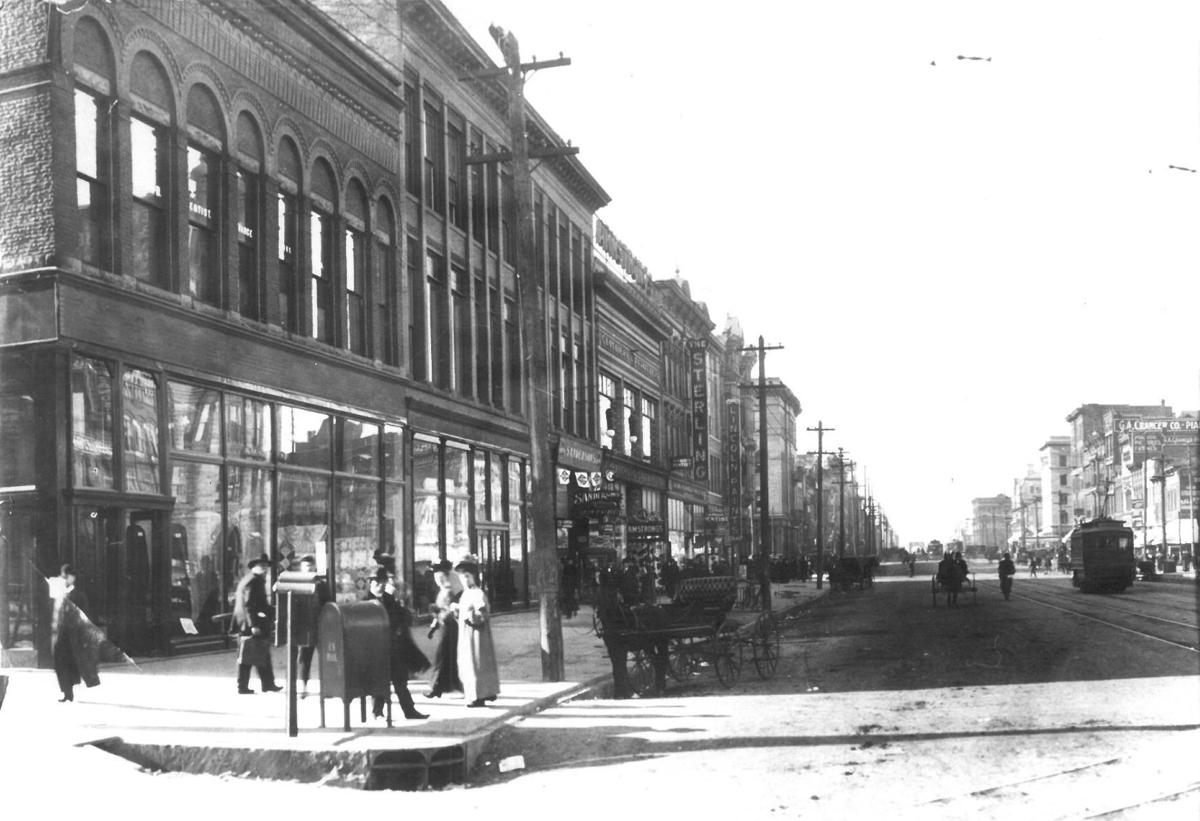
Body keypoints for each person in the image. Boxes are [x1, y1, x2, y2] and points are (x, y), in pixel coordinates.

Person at [367, 569, 429, 720]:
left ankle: (409, 711)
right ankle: (377, 711)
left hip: (394, 648)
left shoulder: (390, 599)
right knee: (379, 681)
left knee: (400, 680)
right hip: (376, 649)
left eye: (382, 582)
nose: (380, 585)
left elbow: (403, 617)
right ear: (370, 583)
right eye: (376, 582)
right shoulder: (365, 603)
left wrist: (403, 607)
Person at [233, 554, 281, 695]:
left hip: (251, 623)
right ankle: (243, 686)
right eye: (262, 566)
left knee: (261, 653)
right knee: (248, 656)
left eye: (266, 566)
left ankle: (267, 684)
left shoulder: (252, 579)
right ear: (255, 567)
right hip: (251, 624)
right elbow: (249, 605)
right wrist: (253, 625)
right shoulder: (253, 581)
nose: (265, 569)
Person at [454, 558, 500, 708]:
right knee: (470, 663)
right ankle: (480, 693)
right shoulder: (466, 594)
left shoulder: (477, 593)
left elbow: (482, 615)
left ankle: (478, 696)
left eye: (467, 576)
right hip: (468, 635)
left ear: (474, 576)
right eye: (462, 576)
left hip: (477, 636)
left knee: (477, 664)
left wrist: (469, 615)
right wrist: (457, 611)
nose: (465, 579)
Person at [50, 564, 97, 702]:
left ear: (72, 578)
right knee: (61, 662)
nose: (63, 579)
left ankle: (68, 691)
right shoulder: (61, 593)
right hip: (62, 634)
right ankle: (67, 691)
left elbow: (84, 616)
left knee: (69, 663)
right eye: (62, 576)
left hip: (73, 635)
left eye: (65, 576)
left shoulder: (78, 595)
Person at [424, 559, 463, 699]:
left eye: (440, 577)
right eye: (436, 578)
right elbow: (441, 612)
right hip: (445, 629)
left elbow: (449, 612)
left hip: (451, 629)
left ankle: (436, 687)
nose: (438, 580)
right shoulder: (443, 592)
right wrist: (434, 627)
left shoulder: (450, 593)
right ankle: (454, 686)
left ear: (447, 577)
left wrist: (437, 614)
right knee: (448, 658)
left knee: (442, 657)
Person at [294, 555, 331, 697]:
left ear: (314, 567)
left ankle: (327, 687)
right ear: (301, 568)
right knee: (304, 658)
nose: (308, 569)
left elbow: (328, 604)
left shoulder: (321, 585)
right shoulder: (298, 584)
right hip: (305, 628)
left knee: (325, 657)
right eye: (306, 567)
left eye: (310, 566)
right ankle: (303, 686)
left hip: (320, 627)